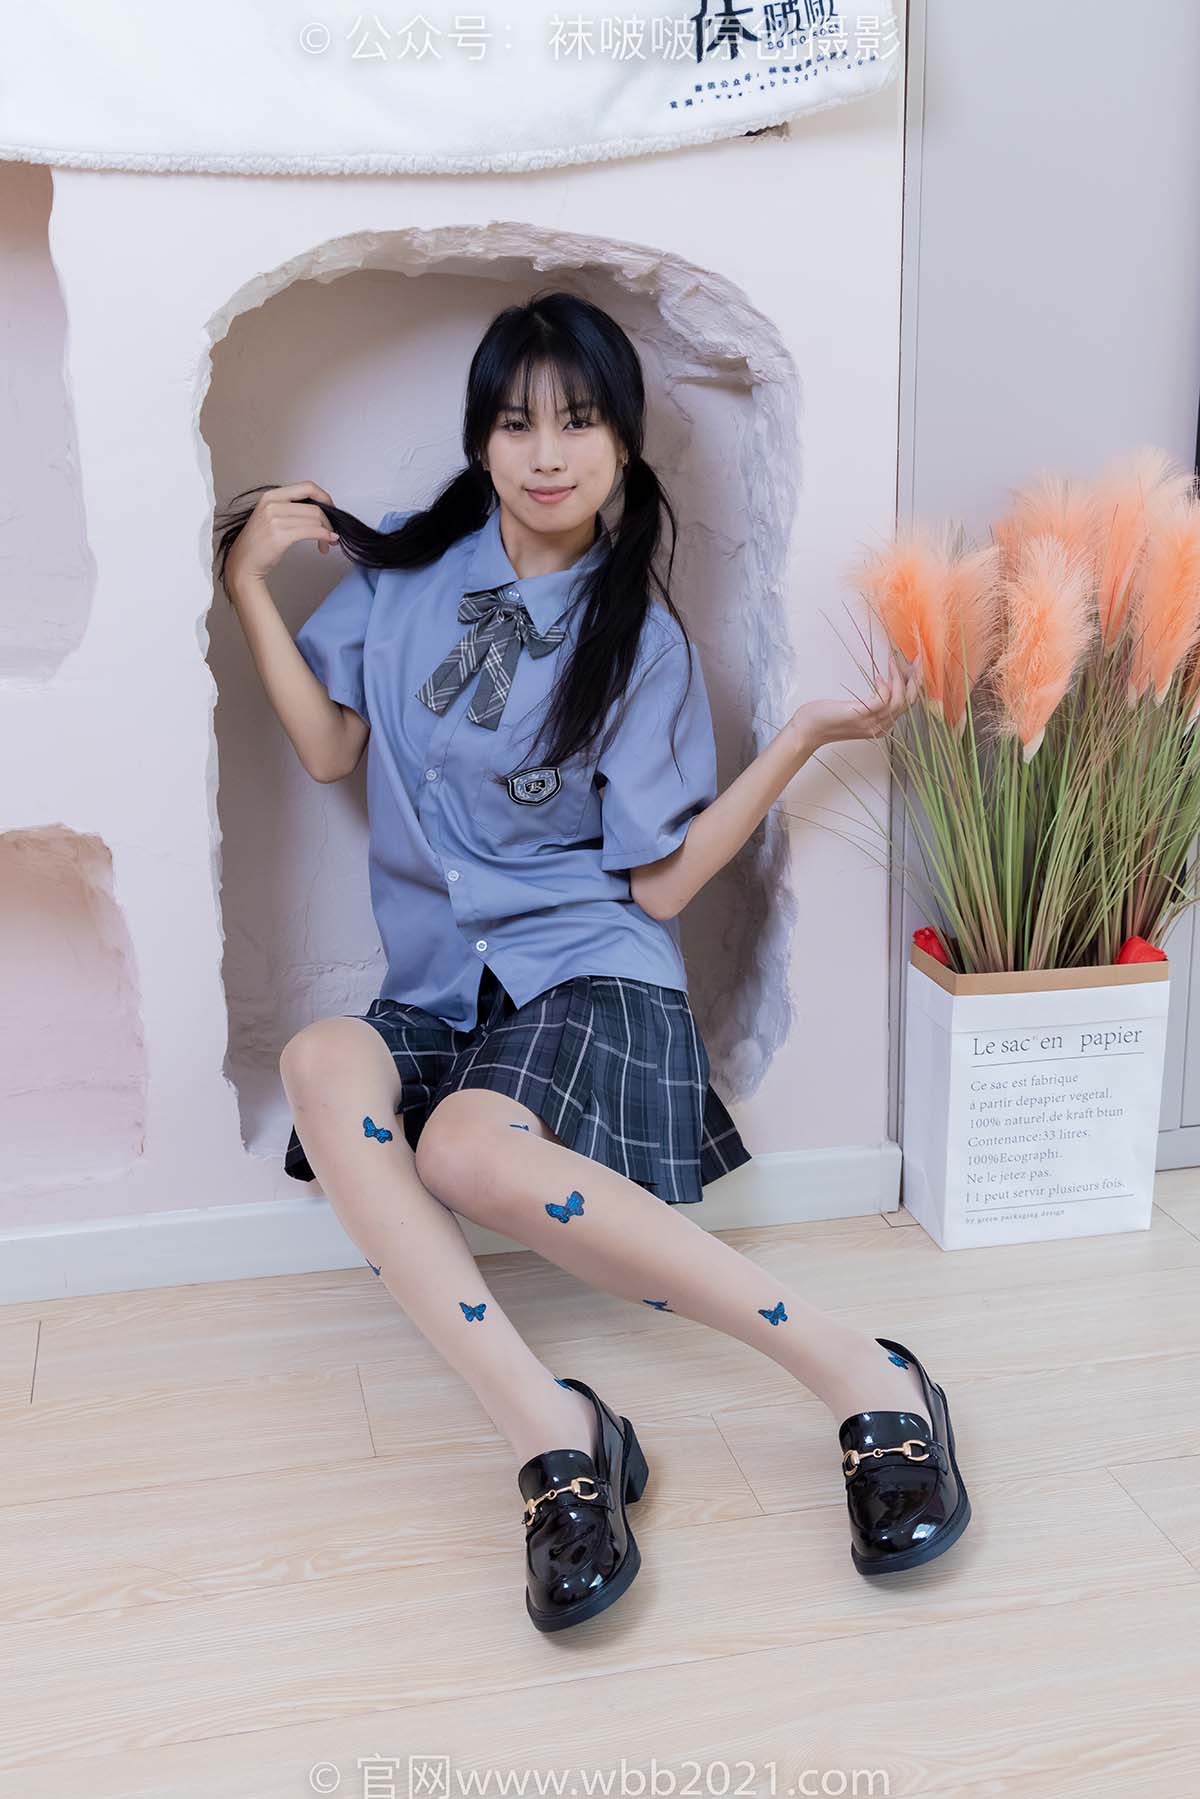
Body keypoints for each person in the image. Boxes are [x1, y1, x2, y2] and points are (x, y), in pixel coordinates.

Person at [215, 289, 971, 1634]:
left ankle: (865, 1375)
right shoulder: (402, 588)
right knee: (322, 1060)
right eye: (516, 424)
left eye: (578, 423)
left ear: (624, 443)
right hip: (441, 980)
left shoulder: (640, 641)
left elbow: (661, 881)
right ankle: (555, 1433)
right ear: (481, 442)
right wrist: (248, 592)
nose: (546, 454)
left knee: (463, 1152)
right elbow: (332, 751)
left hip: (591, 965)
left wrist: (799, 741)